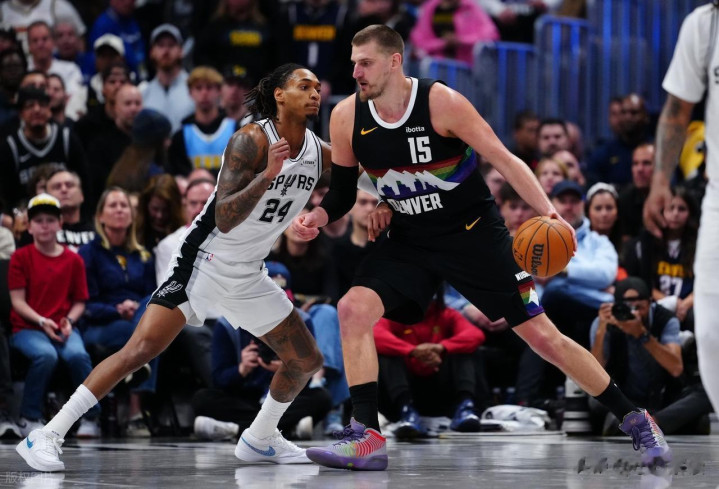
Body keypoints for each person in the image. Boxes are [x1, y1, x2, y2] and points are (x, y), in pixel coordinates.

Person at [295, 25, 670, 471]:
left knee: (543, 337)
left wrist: (550, 213)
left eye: (365, 63)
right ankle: (367, 436)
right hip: (411, 238)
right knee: (352, 308)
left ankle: (635, 418)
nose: (356, 71)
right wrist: (317, 218)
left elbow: (505, 160)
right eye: (353, 62)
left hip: (473, 235)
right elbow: (340, 193)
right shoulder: (345, 116)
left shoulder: (441, 102)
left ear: (394, 62)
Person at [16, 63, 335, 472]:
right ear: (279, 95)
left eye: (317, 86)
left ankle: (260, 437)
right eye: (304, 86)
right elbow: (223, 217)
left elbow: (362, 176)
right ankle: (46, 434)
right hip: (203, 262)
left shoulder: (319, 152)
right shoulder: (251, 140)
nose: (315, 93)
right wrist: (267, 176)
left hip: (249, 272)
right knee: (139, 350)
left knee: (305, 359)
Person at [9, 194, 100, 440]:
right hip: (27, 328)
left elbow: (80, 301)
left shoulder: (73, 259)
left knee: (78, 356)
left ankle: (91, 417)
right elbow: (18, 301)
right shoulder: (20, 257)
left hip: (63, 327)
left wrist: (69, 320)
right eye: (38, 221)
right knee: (45, 355)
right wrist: (41, 320)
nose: (45, 225)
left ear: (60, 223)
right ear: (29, 226)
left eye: (50, 220)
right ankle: (29, 416)